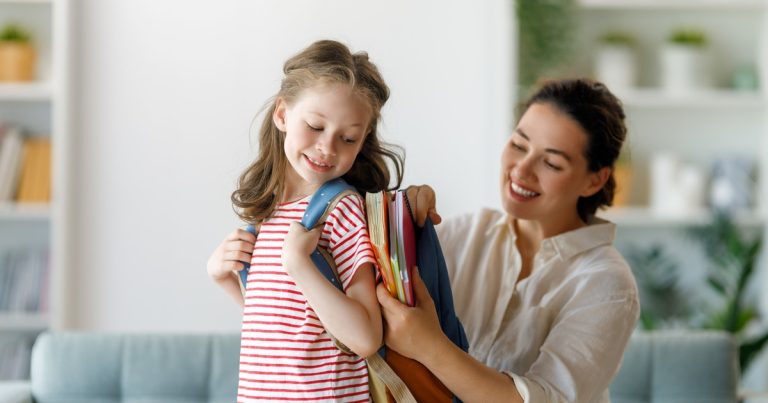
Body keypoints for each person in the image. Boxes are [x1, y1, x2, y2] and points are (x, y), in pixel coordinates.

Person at [378, 78, 640, 403]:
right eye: (519, 144)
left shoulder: (606, 285)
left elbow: (546, 398)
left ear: (594, 180)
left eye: (552, 163)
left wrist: (430, 346)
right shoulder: (462, 235)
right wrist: (402, 220)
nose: (522, 170)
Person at [206, 39, 403, 402]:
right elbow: (284, 326)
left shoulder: (340, 211)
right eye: (315, 126)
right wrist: (222, 278)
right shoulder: (270, 213)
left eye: (348, 138)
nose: (328, 147)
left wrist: (299, 264)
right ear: (282, 114)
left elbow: (364, 337)